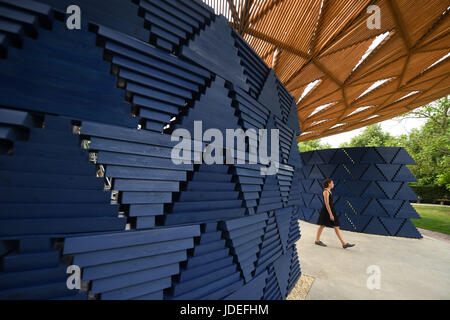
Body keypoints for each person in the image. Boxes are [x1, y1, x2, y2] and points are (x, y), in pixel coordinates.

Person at [315, 178, 355, 249]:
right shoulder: (326, 192)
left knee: (335, 226)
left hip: (330, 210)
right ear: (328, 184)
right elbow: (327, 204)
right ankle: (317, 240)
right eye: (332, 183)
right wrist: (330, 214)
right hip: (326, 211)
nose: (333, 184)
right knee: (323, 225)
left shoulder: (329, 191)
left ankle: (344, 243)